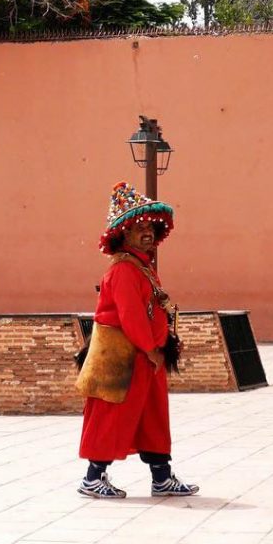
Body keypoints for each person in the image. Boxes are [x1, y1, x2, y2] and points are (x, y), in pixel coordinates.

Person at [74, 182, 199, 499]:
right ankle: (92, 477)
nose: (147, 233)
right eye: (138, 227)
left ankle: (161, 477)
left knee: (152, 418)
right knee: (111, 415)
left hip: (144, 359)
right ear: (123, 234)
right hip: (124, 357)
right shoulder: (124, 271)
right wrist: (151, 348)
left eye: (150, 227)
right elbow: (131, 317)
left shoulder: (141, 267)